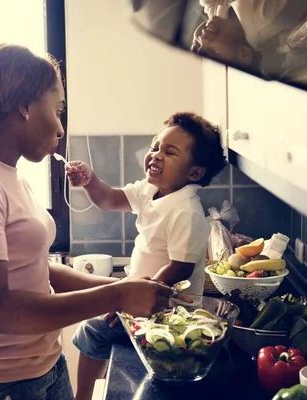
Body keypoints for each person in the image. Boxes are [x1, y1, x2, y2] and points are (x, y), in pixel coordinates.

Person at [0, 44, 176, 400]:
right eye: (57, 109)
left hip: (42, 365)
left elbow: (35, 269)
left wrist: (117, 288)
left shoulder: (9, 176)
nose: (59, 127)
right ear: (25, 106)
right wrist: (117, 294)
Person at [65, 111, 227, 400]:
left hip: (168, 310)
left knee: (92, 329)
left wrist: (131, 300)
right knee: (96, 324)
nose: (156, 155)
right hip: (139, 296)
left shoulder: (186, 211)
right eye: (155, 147)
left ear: (194, 173)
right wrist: (90, 180)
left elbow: (179, 268)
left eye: (170, 152)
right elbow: (109, 198)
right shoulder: (151, 189)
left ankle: (82, 397)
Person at [191, 0, 307, 74]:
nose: (202, 39)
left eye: (195, 45)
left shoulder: (217, 16)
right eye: (211, 51)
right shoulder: (269, 15)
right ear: (244, 54)